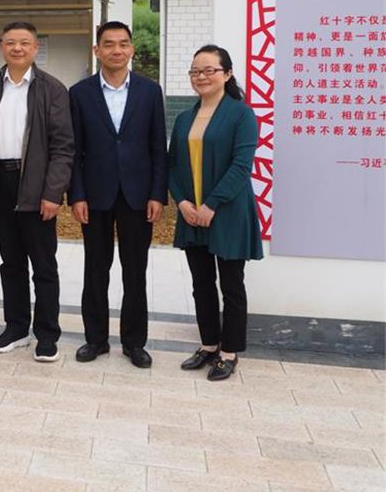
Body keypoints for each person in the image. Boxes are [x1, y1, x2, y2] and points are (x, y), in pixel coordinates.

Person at [69, 21, 167, 369]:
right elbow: (74, 150)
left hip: (138, 195)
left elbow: (158, 146)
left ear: (132, 50)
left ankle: (134, 342)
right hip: (95, 195)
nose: (116, 50)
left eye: (123, 44)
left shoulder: (149, 91)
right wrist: (76, 195)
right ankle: (95, 339)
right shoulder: (79, 93)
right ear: (97, 50)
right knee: (95, 269)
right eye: (109, 44)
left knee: (135, 271)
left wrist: (158, 193)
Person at [168, 44, 263, 381]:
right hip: (191, 213)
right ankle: (209, 344)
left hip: (228, 212)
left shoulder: (241, 114)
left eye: (209, 70)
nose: (201, 77)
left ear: (228, 74)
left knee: (231, 285)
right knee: (201, 284)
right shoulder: (184, 118)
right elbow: (171, 166)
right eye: (195, 71)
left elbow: (242, 166)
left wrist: (211, 204)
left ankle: (229, 352)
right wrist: (182, 202)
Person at [0, 21, 74, 362]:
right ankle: (16, 328)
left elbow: (63, 146)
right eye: (10, 43)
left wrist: (53, 193)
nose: (17, 48)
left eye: (24, 43)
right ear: (1, 47)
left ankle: (47, 335)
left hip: (36, 185)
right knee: (11, 262)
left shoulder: (52, 89)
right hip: (1, 184)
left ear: (36, 48)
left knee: (44, 265)